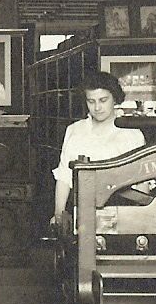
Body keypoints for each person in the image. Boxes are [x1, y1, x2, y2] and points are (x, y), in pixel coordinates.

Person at [51, 71, 147, 215]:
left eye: (103, 100)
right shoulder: (74, 130)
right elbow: (64, 178)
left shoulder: (132, 134)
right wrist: (58, 215)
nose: (97, 107)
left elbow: (142, 183)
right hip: (82, 211)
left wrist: (140, 219)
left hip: (122, 212)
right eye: (91, 101)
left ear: (114, 99)